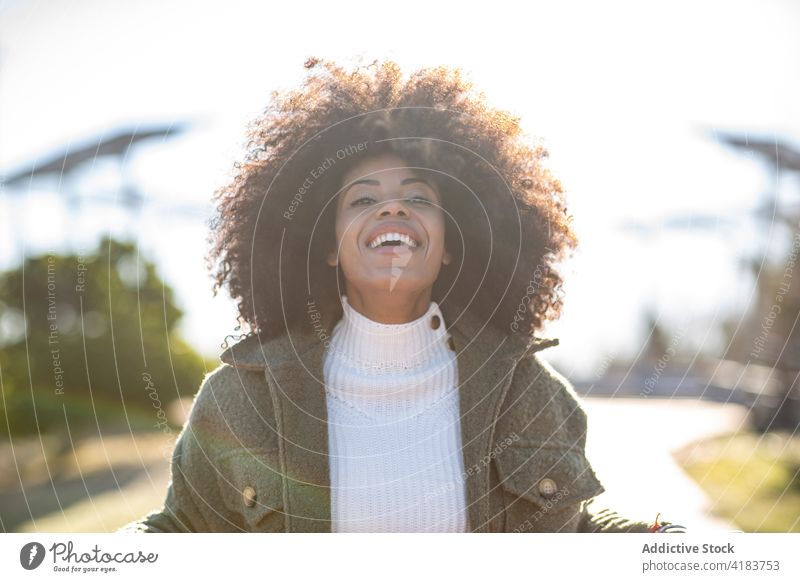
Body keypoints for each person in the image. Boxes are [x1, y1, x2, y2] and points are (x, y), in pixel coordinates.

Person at [119, 58, 685, 533]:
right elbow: (178, 533)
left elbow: (575, 530)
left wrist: (662, 544)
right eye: (363, 201)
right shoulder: (238, 401)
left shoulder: (530, 392)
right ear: (327, 248)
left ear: (451, 246)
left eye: (418, 197)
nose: (393, 208)